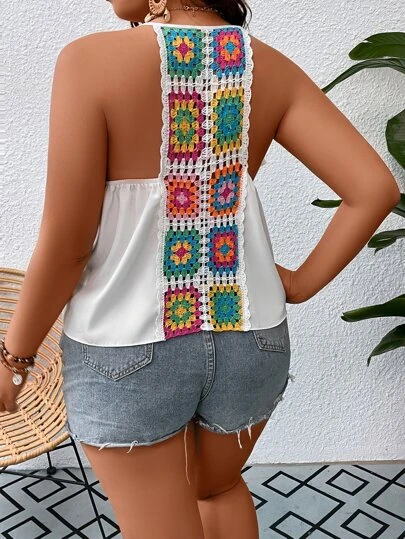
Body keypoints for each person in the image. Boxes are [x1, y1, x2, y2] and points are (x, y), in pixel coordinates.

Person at [0, 0, 400, 537]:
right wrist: (299, 284)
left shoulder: (87, 61)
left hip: (126, 346)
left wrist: (15, 359)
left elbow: (68, 244)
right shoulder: (267, 66)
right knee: (217, 489)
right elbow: (374, 189)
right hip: (252, 338)